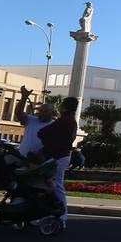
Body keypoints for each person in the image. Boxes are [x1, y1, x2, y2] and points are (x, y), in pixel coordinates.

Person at [36, 96, 78, 227]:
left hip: (58, 156)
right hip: (63, 155)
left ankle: (60, 214)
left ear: (63, 107)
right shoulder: (71, 120)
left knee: (55, 185)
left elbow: (43, 133)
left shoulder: (63, 120)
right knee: (55, 184)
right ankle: (57, 213)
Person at [14, 87, 56, 160]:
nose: (42, 113)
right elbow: (18, 113)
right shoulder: (31, 120)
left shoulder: (55, 125)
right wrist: (24, 98)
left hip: (40, 162)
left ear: (52, 113)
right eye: (41, 111)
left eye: (45, 111)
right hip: (22, 157)